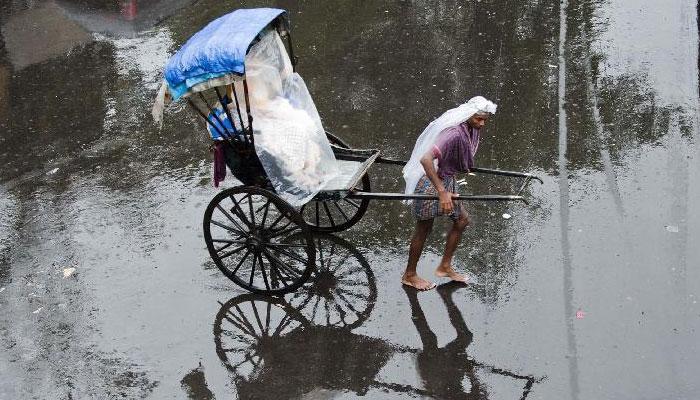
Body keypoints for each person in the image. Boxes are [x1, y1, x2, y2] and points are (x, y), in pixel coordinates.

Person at [401, 96, 497, 290]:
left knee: (461, 220)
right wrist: (442, 192)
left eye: (485, 119)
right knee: (423, 229)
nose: (482, 123)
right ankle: (409, 275)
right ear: (469, 115)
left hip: (447, 178)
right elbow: (426, 159)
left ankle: (444, 266)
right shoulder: (453, 134)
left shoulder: (469, 130)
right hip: (430, 182)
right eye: (479, 118)